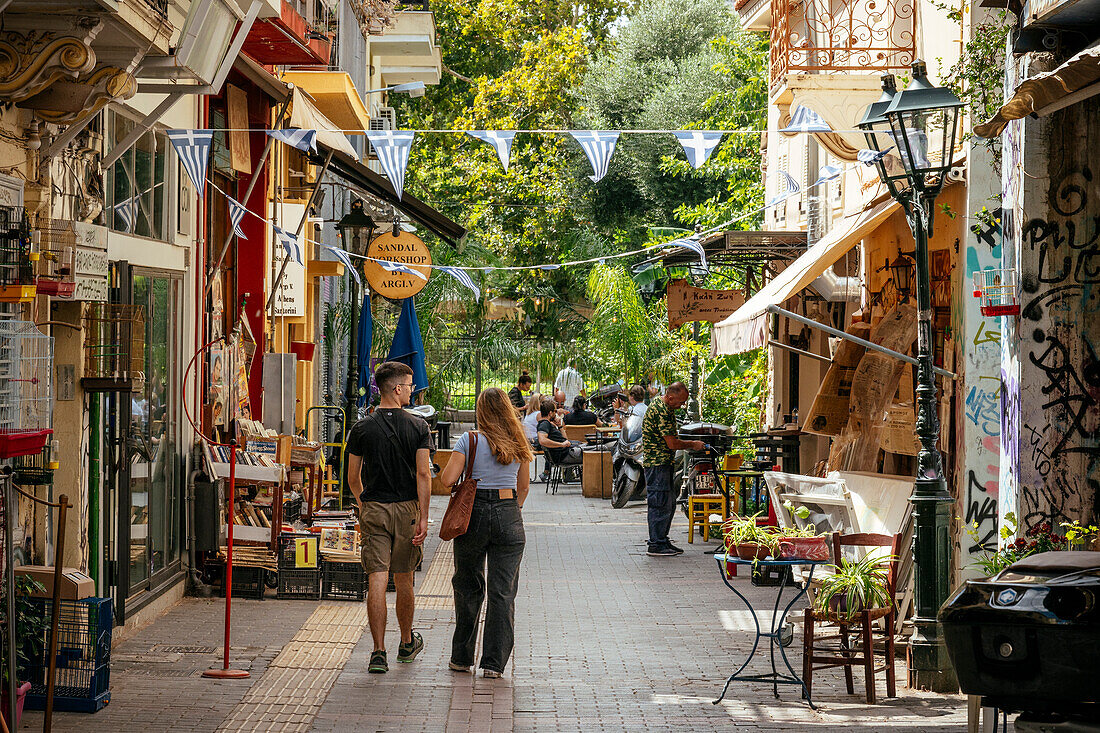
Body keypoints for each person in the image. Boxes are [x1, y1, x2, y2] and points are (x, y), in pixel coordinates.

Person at [439, 387, 532, 679]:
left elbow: (447, 479)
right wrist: (508, 510)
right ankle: (493, 664)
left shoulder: (470, 440)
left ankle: (461, 658)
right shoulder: (519, 440)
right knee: (502, 592)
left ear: (481, 411)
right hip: (508, 513)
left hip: (473, 514)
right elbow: (524, 487)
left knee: (468, 586)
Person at [347, 361, 432, 673]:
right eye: (409, 385)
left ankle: (378, 651)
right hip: (408, 509)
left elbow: (353, 477)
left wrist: (363, 503)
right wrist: (424, 515)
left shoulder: (361, 428)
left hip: (375, 510)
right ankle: (407, 642)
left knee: (376, 579)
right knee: (405, 576)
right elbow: (424, 475)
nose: (411, 390)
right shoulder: (419, 427)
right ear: (397, 389)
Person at [640, 382, 704, 557]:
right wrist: (693, 444)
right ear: (669, 397)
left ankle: (662, 539)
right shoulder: (663, 411)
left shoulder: (664, 407)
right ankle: (656, 543)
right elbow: (672, 443)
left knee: (667, 503)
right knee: (660, 503)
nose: (682, 406)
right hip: (657, 463)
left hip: (662, 462)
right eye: (680, 402)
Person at [537, 398, 583, 470]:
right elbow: (542, 440)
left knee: (594, 448)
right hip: (566, 455)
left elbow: (565, 439)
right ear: (550, 413)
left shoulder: (548, 424)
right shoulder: (544, 424)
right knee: (596, 453)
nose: (556, 413)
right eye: (555, 411)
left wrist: (560, 426)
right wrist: (561, 445)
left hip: (568, 451)